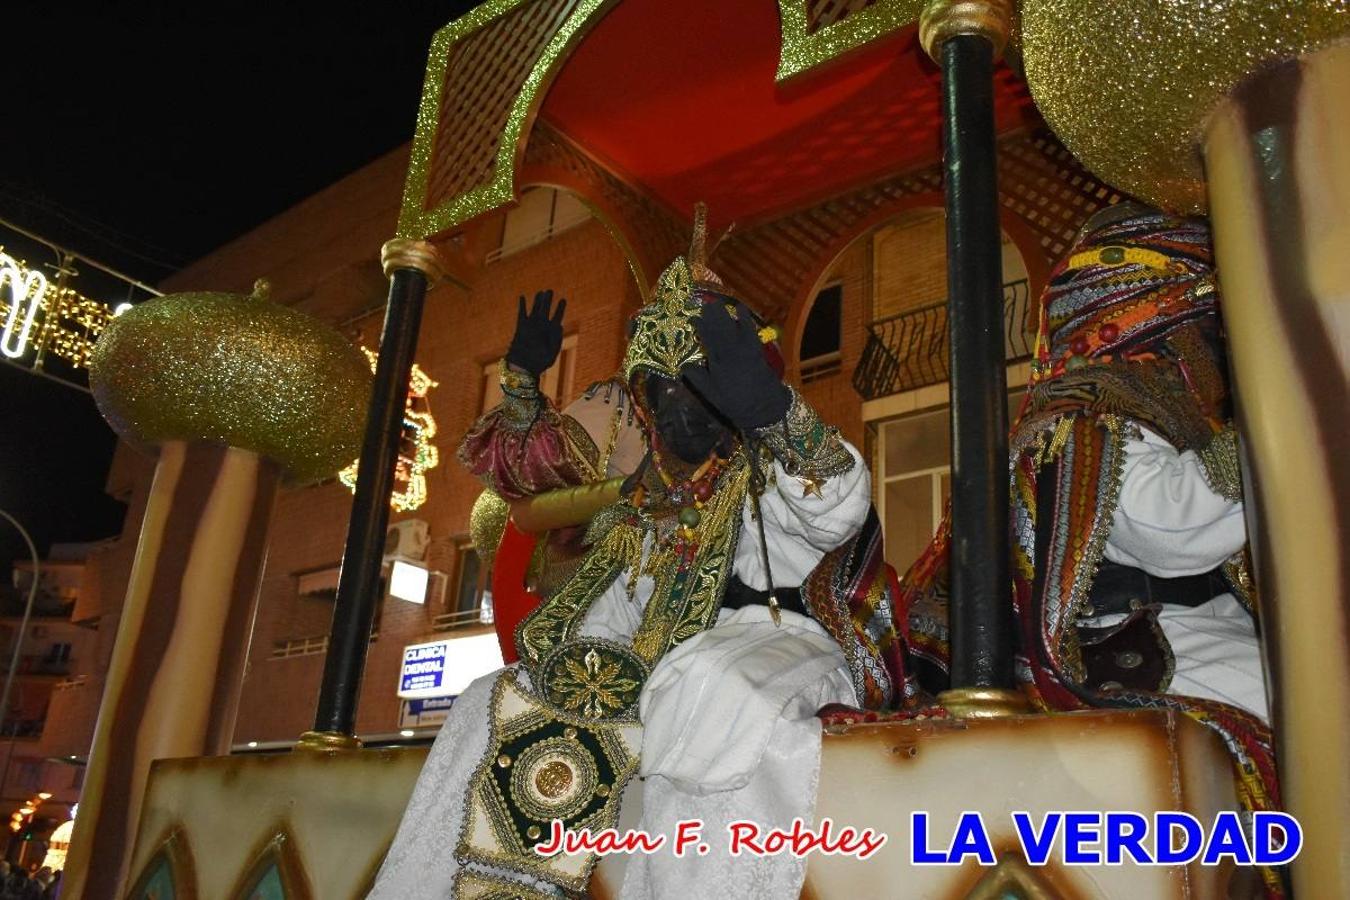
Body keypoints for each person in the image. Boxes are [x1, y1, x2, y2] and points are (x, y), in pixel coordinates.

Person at [370, 207, 908, 899]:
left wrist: (772, 413)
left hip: (777, 644)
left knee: (708, 693)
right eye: (666, 395)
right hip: (666, 665)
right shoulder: (644, 504)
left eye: (699, 393)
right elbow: (617, 608)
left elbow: (835, 504)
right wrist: (576, 672)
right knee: (494, 697)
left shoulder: (767, 467)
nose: (683, 412)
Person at [902, 204, 1280, 889]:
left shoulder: (1152, 415)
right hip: (1151, 649)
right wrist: (1275, 427)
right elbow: (1171, 527)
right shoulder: (1085, 416)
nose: (1213, 353)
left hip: (1203, 634)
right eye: (1201, 331)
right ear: (1155, 326)